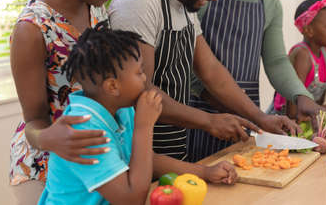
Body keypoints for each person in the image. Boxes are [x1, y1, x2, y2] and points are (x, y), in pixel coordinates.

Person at [109, 0, 299, 162]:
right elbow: (141, 92)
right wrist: (208, 120)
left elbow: (211, 71)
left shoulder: (184, 5)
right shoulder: (139, 3)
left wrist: (261, 118)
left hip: (174, 145)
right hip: (139, 152)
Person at [38, 24, 237, 205]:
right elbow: (131, 200)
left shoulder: (121, 108)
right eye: (139, 73)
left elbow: (148, 159)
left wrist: (205, 172)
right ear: (113, 86)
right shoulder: (84, 129)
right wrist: (144, 126)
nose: (145, 80)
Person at [9, 0, 131, 204]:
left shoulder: (96, 10)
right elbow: (34, 120)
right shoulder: (31, 29)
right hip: (46, 166)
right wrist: (48, 138)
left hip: (92, 159)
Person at [188, 0, 324, 162]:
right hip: (197, 112)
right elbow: (184, 56)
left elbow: (276, 60)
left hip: (245, 118)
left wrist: (300, 95)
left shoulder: (269, 1)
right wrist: (218, 99)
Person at [270, 0, 326, 118]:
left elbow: (317, 102)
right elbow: (293, 114)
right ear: (309, 30)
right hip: (284, 123)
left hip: (309, 120)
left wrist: (321, 109)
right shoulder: (302, 55)